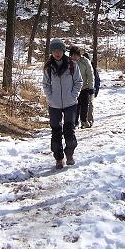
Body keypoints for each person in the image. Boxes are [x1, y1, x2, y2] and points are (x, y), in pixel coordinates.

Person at [43, 38, 82, 169]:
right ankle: (59, 158)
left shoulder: (72, 65)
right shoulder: (48, 67)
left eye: (59, 50)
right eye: (54, 51)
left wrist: (73, 95)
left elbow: (78, 82)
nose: (57, 53)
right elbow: (46, 84)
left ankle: (69, 154)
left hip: (70, 103)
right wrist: (50, 97)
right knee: (56, 131)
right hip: (54, 105)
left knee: (69, 130)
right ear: (52, 52)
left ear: (63, 51)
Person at [69, 45, 94, 129]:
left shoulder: (85, 62)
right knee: (75, 106)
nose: (74, 57)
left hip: (84, 88)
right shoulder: (68, 62)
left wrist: (91, 87)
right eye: (73, 55)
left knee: (84, 106)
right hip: (73, 89)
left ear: (79, 55)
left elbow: (90, 75)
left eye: (76, 55)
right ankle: (75, 122)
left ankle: (84, 121)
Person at [84, 52, 99, 127]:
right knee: (83, 106)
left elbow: (97, 80)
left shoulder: (93, 68)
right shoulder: (80, 66)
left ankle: (90, 120)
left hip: (91, 89)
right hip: (83, 90)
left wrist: (96, 90)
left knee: (91, 105)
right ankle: (83, 120)